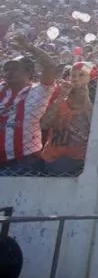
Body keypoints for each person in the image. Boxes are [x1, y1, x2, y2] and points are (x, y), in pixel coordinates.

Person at [0, 36, 58, 176]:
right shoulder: (1, 90)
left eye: (15, 69)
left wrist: (28, 47)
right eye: (6, 69)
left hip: (25, 159)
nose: (9, 72)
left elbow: (50, 66)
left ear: (28, 72)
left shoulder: (38, 92)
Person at [40, 61, 95, 176]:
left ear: (91, 78)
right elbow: (44, 124)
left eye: (81, 75)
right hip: (53, 159)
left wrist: (86, 99)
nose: (75, 79)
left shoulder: (97, 103)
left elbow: (96, 126)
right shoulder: (60, 98)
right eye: (73, 75)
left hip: (83, 160)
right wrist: (61, 96)